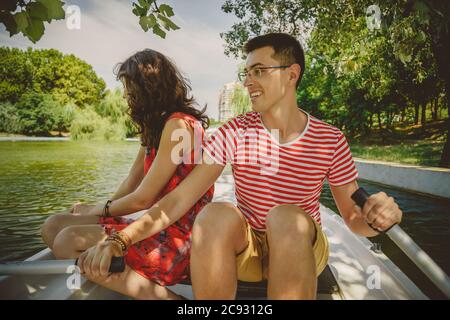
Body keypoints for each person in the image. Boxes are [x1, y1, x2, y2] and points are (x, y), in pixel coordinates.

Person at [76, 33, 402, 300]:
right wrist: (120, 240)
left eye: (259, 70)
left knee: (285, 217)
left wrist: (378, 220)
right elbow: (175, 202)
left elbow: (354, 221)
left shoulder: (329, 139)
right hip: (249, 252)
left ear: (292, 74)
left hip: (300, 246)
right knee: (214, 214)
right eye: (246, 73)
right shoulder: (234, 131)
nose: (248, 81)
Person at [40, 49, 214, 300]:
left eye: (129, 86)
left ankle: (169, 299)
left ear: (148, 87)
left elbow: (143, 199)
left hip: (177, 240)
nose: (125, 94)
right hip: (154, 229)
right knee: (53, 226)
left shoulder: (179, 126)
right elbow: (132, 182)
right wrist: (98, 210)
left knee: (67, 240)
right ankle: (120, 275)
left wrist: (94, 210)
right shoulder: (156, 126)